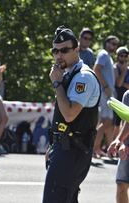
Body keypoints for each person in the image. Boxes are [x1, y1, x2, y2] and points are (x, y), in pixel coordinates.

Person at [43, 26, 100, 202]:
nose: (59, 55)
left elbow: (69, 115)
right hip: (65, 149)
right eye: (55, 51)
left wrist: (57, 84)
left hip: (73, 152)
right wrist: (54, 145)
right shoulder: (69, 74)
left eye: (64, 50)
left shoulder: (83, 77)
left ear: (76, 49)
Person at [93, 35, 119, 158]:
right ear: (106, 43)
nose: (114, 46)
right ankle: (94, 148)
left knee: (109, 123)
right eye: (112, 43)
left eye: (116, 44)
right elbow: (96, 69)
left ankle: (109, 150)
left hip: (108, 92)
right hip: (105, 92)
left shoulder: (108, 57)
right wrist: (106, 87)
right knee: (106, 121)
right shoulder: (103, 54)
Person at [108, 90, 129, 203]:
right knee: (121, 184)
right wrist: (120, 141)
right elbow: (127, 120)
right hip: (127, 146)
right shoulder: (128, 95)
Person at [113, 47, 129, 137]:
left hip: (127, 97)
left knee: (125, 122)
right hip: (117, 97)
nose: (123, 58)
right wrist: (123, 71)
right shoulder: (115, 67)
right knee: (116, 123)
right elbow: (118, 84)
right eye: (121, 56)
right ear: (117, 56)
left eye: (125, 56)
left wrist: (123, 83)